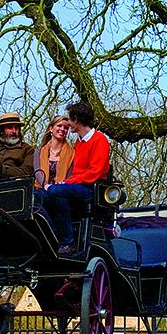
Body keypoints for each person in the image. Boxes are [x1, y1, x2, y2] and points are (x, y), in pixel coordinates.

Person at [42, 100, 110, 255]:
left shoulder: (99, 140)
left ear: (77, 120)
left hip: (90, 190)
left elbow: (95, 172)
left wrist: (66, 182)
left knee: (55, 191)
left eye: (70, 120)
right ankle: (54, 237)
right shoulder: (79, 143)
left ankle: (68, 241)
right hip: (78, 186)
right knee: (41, 196)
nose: (68, 124)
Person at [33, 115, 75, 188]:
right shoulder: (39, 151)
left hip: (62, 190)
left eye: (66, 128)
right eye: (59, 126)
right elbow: (38, 172)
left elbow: (69, 176)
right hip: (41, 189)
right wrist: (46, 186)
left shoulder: (72, 153)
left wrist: (57, 188)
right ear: (51, 128)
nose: (62, 129)